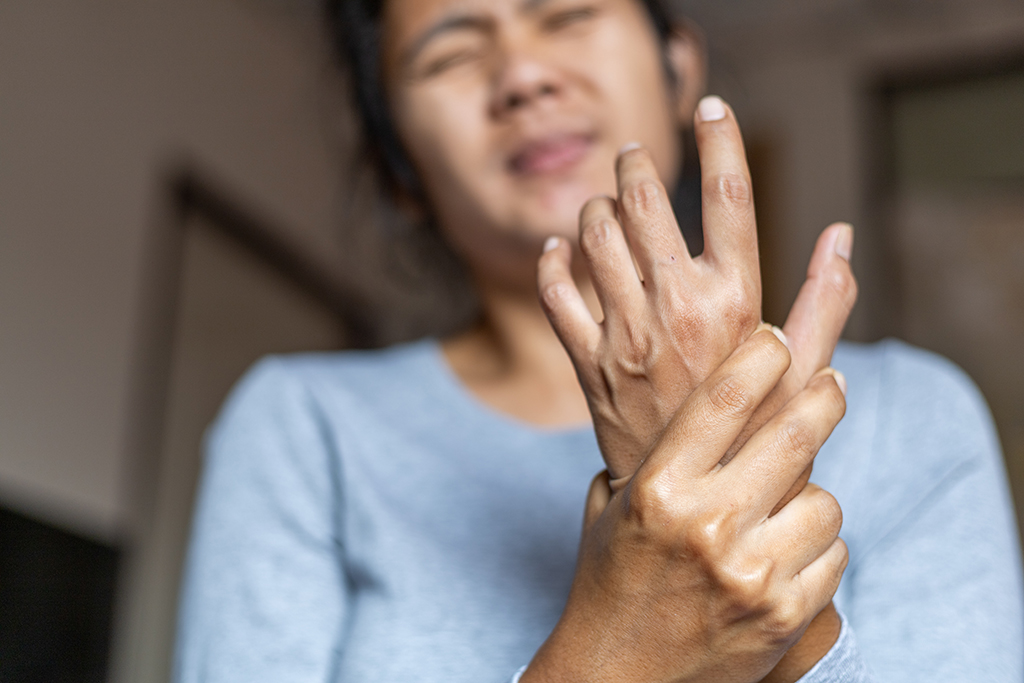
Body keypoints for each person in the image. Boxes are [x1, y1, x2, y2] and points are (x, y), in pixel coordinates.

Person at [173, 0, 1024, 681]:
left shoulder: (914, 413)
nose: (524, 76)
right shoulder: (302, 425)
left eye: (568, 13)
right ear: (401, 172)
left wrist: (753, 559)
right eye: (449, 53)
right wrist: (616, 648)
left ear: (678, 67)